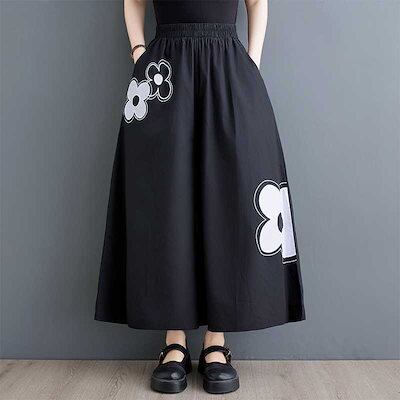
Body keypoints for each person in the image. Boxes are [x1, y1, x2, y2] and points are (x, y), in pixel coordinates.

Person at [95, 0, 305, 394]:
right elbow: (133, 2)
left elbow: (257, 2)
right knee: (166, 204)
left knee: (228, 201)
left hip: (228, 69)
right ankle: (174, 340)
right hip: (162, 76)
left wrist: (252, 63)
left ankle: (216, 342)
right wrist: (139, 53)